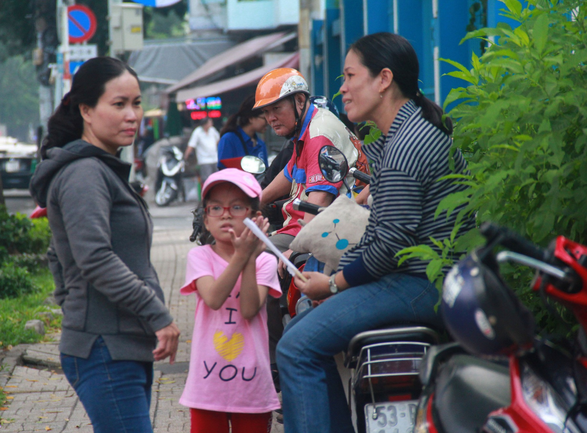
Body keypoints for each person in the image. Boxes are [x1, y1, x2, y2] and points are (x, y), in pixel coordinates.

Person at [277, 33, 473, 433]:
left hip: (422, 284)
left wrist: (332, 285)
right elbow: (382, 236)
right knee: (298, 331)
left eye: (350, 76)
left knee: (295, 349)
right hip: (418, 279)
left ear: (384, 80)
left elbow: (388, 246)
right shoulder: (404, 134)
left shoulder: (405, 146)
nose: (343, 88)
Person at [29, 56, 180, 433]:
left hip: (120, 344)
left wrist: (73, 301)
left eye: (137, 102)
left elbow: (56, 252)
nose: (132, 115)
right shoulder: (84, 173)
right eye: (118, 104)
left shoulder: (102, 169)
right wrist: (157, 314)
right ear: (86, 110)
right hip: (104, 350)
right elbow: (94, 257)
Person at [253, 68, 362, 379]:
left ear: (300, 101)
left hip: (328, 230)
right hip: (303, 225)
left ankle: (278, 368)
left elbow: (319, 202)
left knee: (258, 263)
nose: (271, 118)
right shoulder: (306, 129)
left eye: (277, 109)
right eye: (267, 112)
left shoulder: (318, 135)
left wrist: (293, 251)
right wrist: (252, 202)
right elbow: (288, 174)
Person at [179, 168, 282, 433]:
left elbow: (249, 309)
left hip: (253, 385)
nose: (225, 214)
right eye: (216, 208)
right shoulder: (199, 257)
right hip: (207, 386)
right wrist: (242, 255)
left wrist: (248, 257)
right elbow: (213, 298)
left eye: (237, 207)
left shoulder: (265, 261)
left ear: (255, 217)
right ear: (206, 219)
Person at [217, 95, 269, 169]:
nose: (269, 122)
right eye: (264, 118)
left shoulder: (261, 144)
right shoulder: (228, 140)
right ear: (251, 118)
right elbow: (224, 172)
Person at [184, 117, 220, 183]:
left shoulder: (212, 130)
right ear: (205, 124)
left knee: (217, 178)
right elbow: (191, 145)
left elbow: (218, 139)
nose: (211, 124)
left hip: (215, 158)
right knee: (207, 180)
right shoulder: (197, 132)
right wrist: (185, 156)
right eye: (210, 122)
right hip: (204, 160)